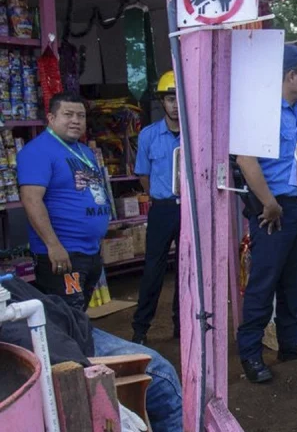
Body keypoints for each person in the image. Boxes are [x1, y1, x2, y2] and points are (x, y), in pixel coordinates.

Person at [235, 45, 297, 384]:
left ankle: (290, 342)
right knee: (264, 283)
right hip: (271, 209)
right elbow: (246, 160)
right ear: (291, 75)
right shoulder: (260, 110)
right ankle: (251, 353)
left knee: (293, 281)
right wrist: (268, 202)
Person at [0, 275, 182, 432]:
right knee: (161, 376)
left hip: (67, 324)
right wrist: (92, 385)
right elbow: (23, 334)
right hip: (55, 343)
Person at [17, 93, 110, 311]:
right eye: (68, 115)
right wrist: (53, 245)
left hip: (90, 252)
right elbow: (31, 200)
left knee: (79, 314)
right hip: (63, 253)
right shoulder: (38, 151)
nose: (76, 121)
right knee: (66, 317)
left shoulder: (84, 151)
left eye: (81, 116)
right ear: (51, 117)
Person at [131, 71, 182, 345]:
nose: (175, 104)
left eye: (178, 98)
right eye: (169, 98)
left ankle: (182, 324)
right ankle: (140, 329)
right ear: (162, 102)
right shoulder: (149, 135)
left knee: (187, 270)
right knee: (153, 269)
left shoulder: (197, 133)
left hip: (190, 211)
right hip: (162, 208)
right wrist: (157, 196)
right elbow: (143, 174)